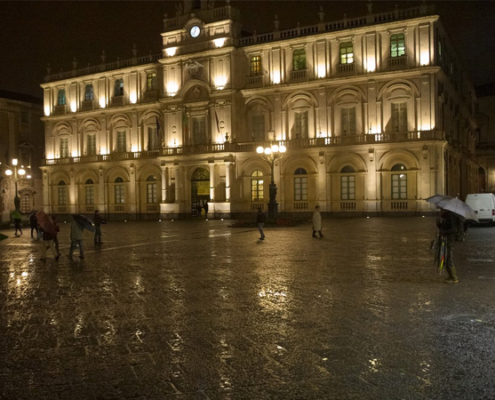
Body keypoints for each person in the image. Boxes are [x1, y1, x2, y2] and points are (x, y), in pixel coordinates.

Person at [437, 208, 459, 283]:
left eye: (442, 209)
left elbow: (454, 229)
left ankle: (454, 278)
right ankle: (450, 276)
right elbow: (444, 228)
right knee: (446, 259)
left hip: (450, 241)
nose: (440, 211)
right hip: (446, 240)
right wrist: (439, 224)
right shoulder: (446, 217)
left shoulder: (451, 217)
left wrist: (444, 232)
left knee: (449, 259)